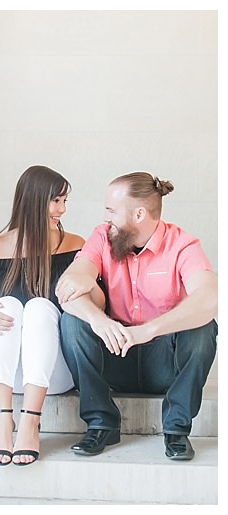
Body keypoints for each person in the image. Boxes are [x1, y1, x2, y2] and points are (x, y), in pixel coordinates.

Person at [55, 171, 217, 461]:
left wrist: (149, 330)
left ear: (139, 214)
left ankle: (176, 429)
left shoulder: (183, 245)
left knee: (204, 326)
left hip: (163, 362)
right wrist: (99, 320)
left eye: (111, 210)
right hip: (115, 352)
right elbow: (69, 287)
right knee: (73, 321)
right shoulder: (102, 237)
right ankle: (101, 423)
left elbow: (209, 298)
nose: (107, 218)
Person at [0, 165, 104, 466]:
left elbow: (98, 304)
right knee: (7, 305)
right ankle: (3, 421)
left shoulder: (75, 247)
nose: (63, 209)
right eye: (57, 201)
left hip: (55, 371)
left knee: (41, 307)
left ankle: (30, 421)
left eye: (65, 201)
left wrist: (86, 284)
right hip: (7, 373)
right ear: (33, 200)